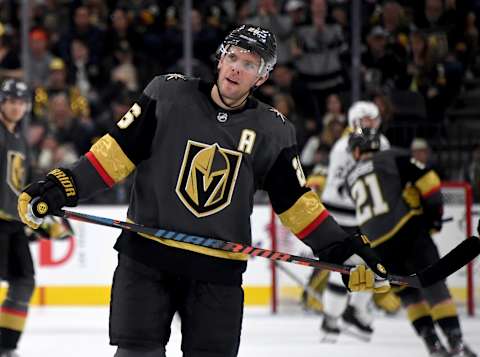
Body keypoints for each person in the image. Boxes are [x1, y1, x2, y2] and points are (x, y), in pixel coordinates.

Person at [17, 25, 389, 357]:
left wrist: (342, 248)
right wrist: (62, 186)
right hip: (146, 259)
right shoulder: (167, 95)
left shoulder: (273, 132)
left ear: (261, 77)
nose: (236, 68)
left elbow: (296, 204)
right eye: (233, 57)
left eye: (249, 64)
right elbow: (111, 156)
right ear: (220, 58)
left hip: (217, 272)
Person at [345, 128, 477, 357]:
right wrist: (432, 216)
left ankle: (432, 342)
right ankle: (455, 341)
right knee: (434, 284)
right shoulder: (392, 156)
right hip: (408, 233)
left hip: (378, 247)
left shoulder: (350, 178)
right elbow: (430, 182)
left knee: (408, 294)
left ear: (356, 151)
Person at [307, 101, 393, 342]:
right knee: (345, 267)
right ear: (356, 121)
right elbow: (343, 187)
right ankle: (334, 317)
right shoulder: (343, 147)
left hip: (367, 216)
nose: (372, 124)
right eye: (367, 120)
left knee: (371, 264)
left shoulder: (380, 143)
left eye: (374, 119)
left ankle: (352, 311)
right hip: (343, 217)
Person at [0, 78, 73, 357]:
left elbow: (24, 184)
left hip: (13, 223)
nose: (16, 107)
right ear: (2, 103)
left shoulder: (20, 138)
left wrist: (44, 220)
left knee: (24, 281)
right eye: (10, 101)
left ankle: (6, 347)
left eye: (20, 102)